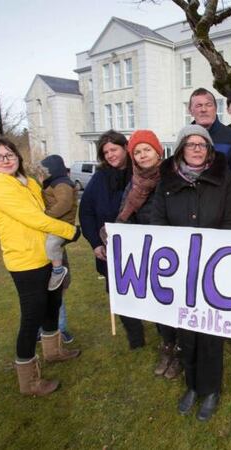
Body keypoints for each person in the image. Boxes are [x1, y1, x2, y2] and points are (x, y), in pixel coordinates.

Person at [0, 137, 80, 396]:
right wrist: (69, 231)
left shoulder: (26, 182)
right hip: (25, 260)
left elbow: (46, 210)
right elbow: (32, 218)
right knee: (32, 317)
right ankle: (29, 381)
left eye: (10, 154)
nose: (7, 160)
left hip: (44, 255)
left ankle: (54, 351)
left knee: (53, 302)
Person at [150, 124, 231, 422]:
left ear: (210, 149)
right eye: (191, 144)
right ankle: (192, 384)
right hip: (180, 270)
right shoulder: (167, 181)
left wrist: (216, 254)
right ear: (180, 149)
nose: (197, 148)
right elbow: (158, 222)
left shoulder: (224, 178)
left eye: (202, 144)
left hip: (214, 270)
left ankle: (211, 389)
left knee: (211, 333)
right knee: (187, 331)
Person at [116, 129, 181, 380]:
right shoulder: (133, 184)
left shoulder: (173, 176)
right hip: (149, 254)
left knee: (177, 304)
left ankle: (180, 350)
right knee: (159, 305)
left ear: (158, 151)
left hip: (174, 250)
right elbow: (126, 215)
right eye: (138, 152)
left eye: (147, 150)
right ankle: (167, 346)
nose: (143, 155)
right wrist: (117, 233)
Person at [78, 130, 144, 350]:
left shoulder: (141, 174)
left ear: (125, 148)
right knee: (120, 292)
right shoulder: (99, 178)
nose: (110, 155)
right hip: (110, 248)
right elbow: (86, 211)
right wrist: (95, 243)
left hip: (142, 246)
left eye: (113, 149)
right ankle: (136, 337)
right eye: (105, 152)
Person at [188, 87, 231, 229]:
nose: (204, 109)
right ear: (190, 111)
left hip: (225, 218)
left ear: (216, 108)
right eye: (198, 105)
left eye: (208, 105)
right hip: (190, 217)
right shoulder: (184, 139)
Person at [39, 154, 79, 343]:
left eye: (45, 171)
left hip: (56, 228)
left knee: (57, 288)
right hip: (46, 236)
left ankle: (59, 329)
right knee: (44, 292)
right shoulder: (51, 184)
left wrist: (45, 216)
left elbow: (63, 204)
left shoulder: (61, 184)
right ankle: (47, 329)